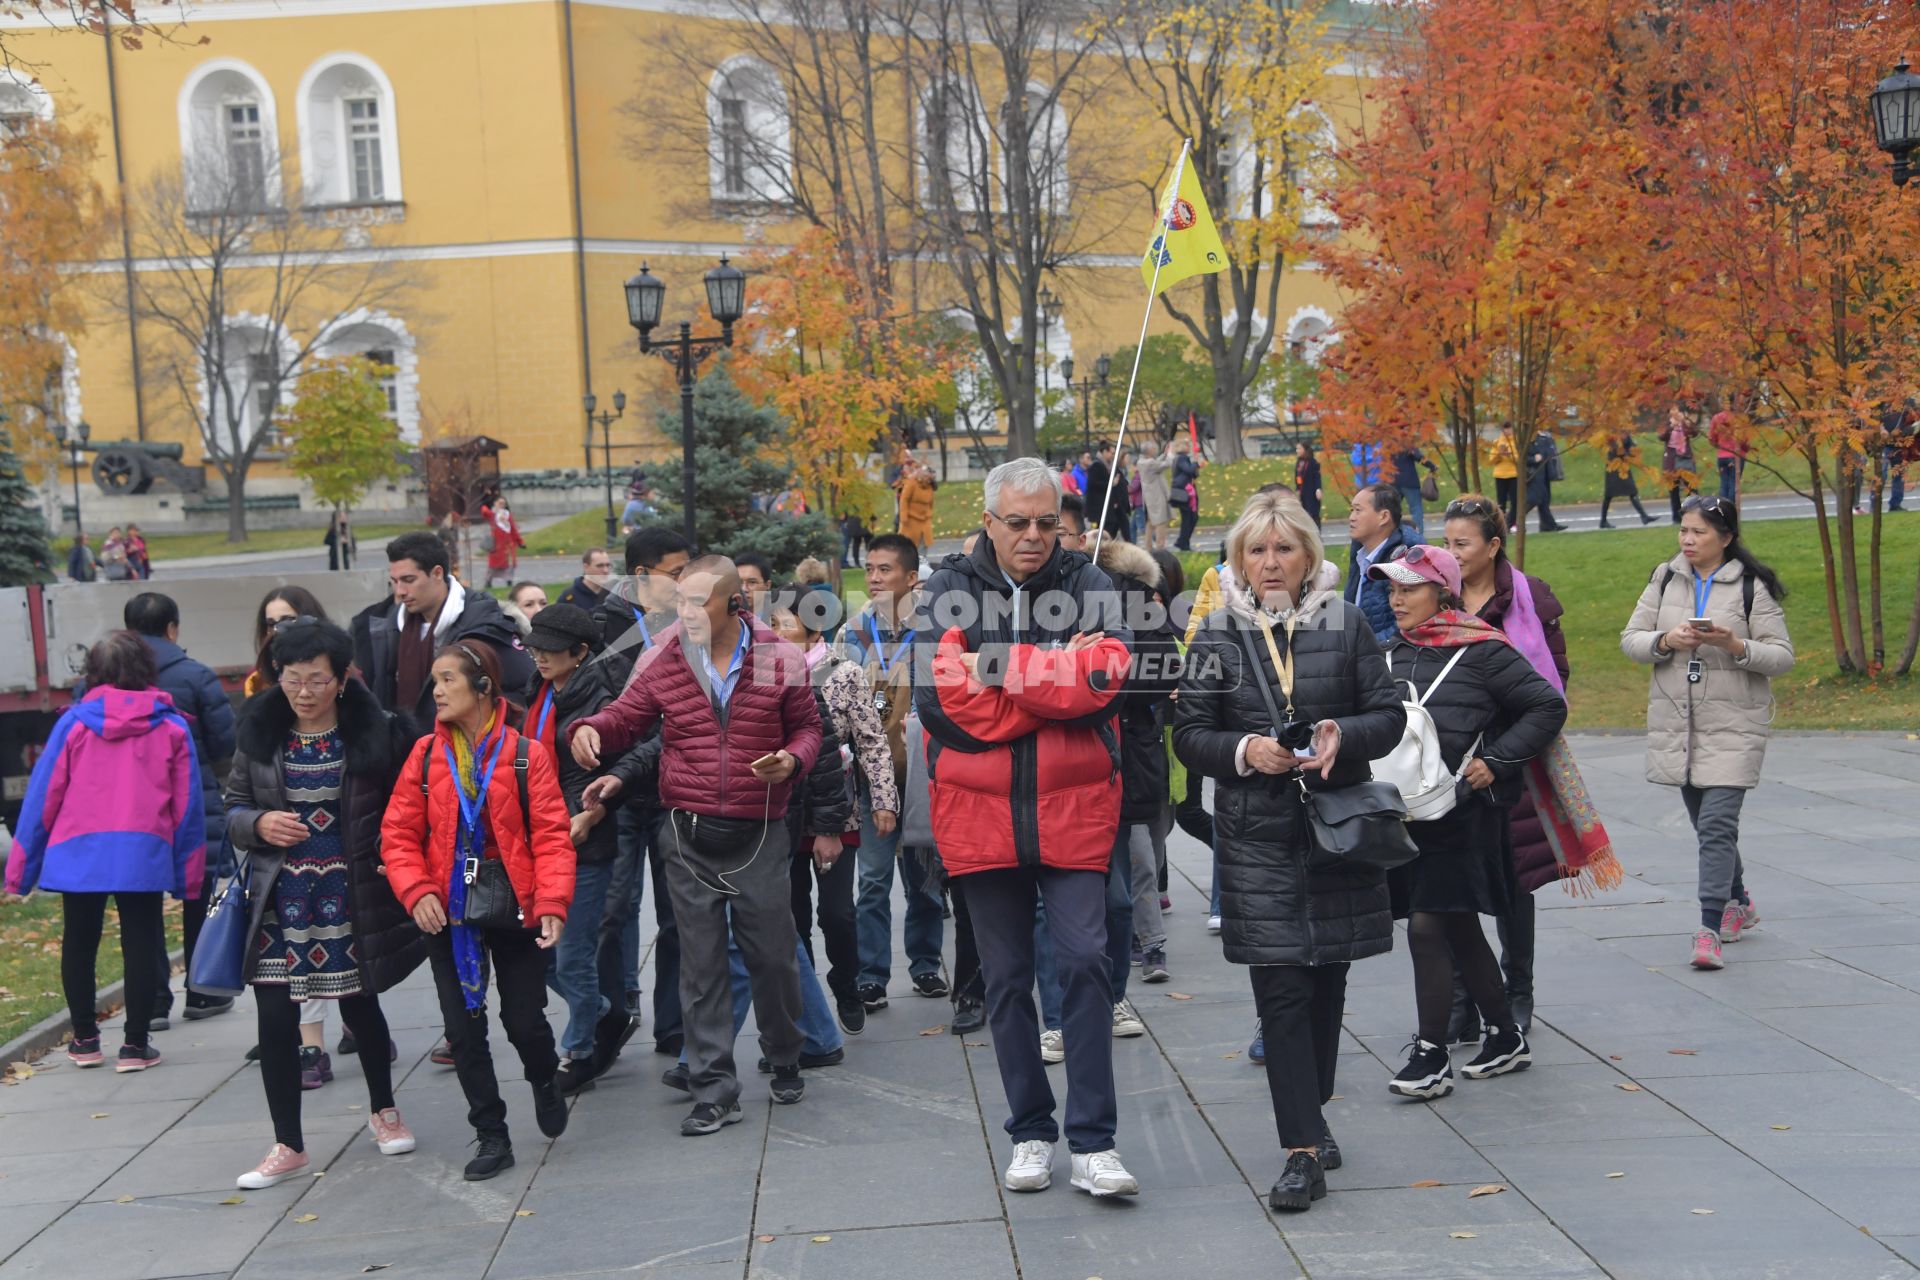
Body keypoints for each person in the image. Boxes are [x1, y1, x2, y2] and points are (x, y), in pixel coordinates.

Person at [1172, 488, 1406, 1213]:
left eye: (1284, 548)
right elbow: (1189, 735)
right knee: (1280, 988)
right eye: (1256, 550)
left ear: (1308, 556)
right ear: (1239, 561)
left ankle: (1314, 1108)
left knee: (1326, 982)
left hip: (1337, 832)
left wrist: (1342, 736)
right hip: (1258, 837)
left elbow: (1388, 716)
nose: (1270, 563)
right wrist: (1246, 750)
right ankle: (1301, 1149)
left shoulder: (1346, 625)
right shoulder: (1214, 635)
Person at [915, 457, 1141, 1199]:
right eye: (1019, 522)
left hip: (1075, 812)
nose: (1035, 536)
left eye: (1048, 522)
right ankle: (1032, 1133)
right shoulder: (947, 587)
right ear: (989, 521)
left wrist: (996, 668)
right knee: (1007, 981)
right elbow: (941, 704)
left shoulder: (1090, 583)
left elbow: (1106, 686)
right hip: (978, 818)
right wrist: (1050, 674)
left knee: (1084, 963)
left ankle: (1094, 1142)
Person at [569, 555, 823, 1136]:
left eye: (696, 602)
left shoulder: (778, 658)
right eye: (679, 600)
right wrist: (586, 730)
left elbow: (809, 729)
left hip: (760, 831)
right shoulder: (663, 656)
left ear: (735, 605)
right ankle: (714, 1088)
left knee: (773, 959)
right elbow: (624, 718)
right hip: (686, 833)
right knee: (700, 966)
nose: (683, 612)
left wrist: (792, 760)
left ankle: (784, 1053)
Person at [223, 619, 423, 1187]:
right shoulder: (260, 732)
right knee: (275, 1019)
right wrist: (258, 822)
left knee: (360, 1006)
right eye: (291, 679)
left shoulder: (375, 731)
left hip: (349, 892)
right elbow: (233, 805)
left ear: (340, 679)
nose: (303, 692)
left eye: (316, 679)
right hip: (278, 899)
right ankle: (288, 1143)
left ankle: (385, 1111)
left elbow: (404, 808)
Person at [1369, 545, 1566, 1100]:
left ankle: (1431, 1055)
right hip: (1407, 813)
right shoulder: (1386, 653)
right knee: (1454, 925)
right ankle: (1505, 1035)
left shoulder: (1483, 650)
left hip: (1465, 814)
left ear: (1444, 591)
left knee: (1430, 926)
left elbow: (1546, 707)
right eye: (1392, 587)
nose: (1397, 597)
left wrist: (1496, 761)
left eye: (1409, 586)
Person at [380, 640, 575, 1181]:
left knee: (524, 1022)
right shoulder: (423, 755)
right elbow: (396, 835)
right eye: (435, 682)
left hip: (514, 903)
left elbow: (554, 837)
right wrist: (416, 890)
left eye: (448, 680)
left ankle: (542, 1077)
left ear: (483, 686)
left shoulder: (525, 755)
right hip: (446, 911)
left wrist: (554, 902)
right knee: (463, 1031)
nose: (437, 691)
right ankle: (491, 1133)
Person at [6, 631, 204, 1073]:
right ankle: (135, 1045)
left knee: (79, 943)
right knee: (140, 943)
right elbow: (187, 806)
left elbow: (42, 798)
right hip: (143, 850)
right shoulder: (171, 727)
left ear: (93, 672)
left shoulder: (73, 724)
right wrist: (189, 876)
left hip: (78, 852)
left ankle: (84, 1039)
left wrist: (20, 871)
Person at [1621, 495, 1794, 971]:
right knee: (1707, 826)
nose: (1688, 540)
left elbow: (1781, 656)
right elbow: (1631, 639)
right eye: (1683, 530)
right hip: (1679, 724)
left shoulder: (1750, 587)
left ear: (1726, 538)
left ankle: (1708, 927)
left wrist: (1735, 645)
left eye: (1698, 532)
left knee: (1717, 827)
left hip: (1735, 725)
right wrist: (1665, 641)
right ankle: (1739, 899)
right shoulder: (1665, 577)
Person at [1441, 497, 1570, 1038]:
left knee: (1515, 881)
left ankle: (1519, 990)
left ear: (1493, 546)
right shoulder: (1437, 592)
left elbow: (1555, 679)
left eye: (1462, 544)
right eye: (1446, 543)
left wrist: (1505, 750)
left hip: (1510, 759)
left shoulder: (1529, 597)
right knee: (1451, 884)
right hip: (1449, 759)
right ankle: (1462, 998)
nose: (1452, 554)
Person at [521, 604, 652, 1095]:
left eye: (550, 649)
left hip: (586, 837)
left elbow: (615, 764)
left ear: (579, 653)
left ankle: (577, 1050)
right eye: (535, 646)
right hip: (543, 835)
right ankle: (601, 1011)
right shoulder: (541, 691)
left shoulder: (598, 696)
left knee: (572, 951)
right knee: (543, 954)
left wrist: (591, 809)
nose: (538, 656)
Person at [770, 586, 898, 1034]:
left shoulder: (844, 674)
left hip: (835, 809)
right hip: (781, 813)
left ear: (813, 626)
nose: (775, 633)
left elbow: (870, 740)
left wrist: (883, 799)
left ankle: (846, 984)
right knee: (793, 916)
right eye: (772, 624)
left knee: (838, 914)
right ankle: (804, 1007)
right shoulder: (765, 672)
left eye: (784, 624)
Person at [590, 527, 691, 1060]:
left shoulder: (696, 623)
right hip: (620, 791)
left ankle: (672, 1023)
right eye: (676, 574)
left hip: (677, 788)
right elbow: (614, 715)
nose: (685, 583)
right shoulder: (602, 629)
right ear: (642, 576)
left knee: (679, 913)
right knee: (614, 907)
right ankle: (614, 1008)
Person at [841, 533, 948, 1017]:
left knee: (925, 880)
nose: (875, 578)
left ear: (911, 579)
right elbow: (837, 700)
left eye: (885, 570)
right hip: (872, 778)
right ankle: (871, 975)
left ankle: (926, 963)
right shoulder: (854, 632)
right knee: (873, 881)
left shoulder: (935, 630)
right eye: (869, 569)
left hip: (923, 775)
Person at [122, 592, 237, 1027]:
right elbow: (224, 741)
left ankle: (151, 1001)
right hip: (193, 797)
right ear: (173, 628)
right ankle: (202, 992)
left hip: (132, 807)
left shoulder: (104, 680)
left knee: (140, 904)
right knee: (199, 895)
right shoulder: (195, 676)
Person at [1094, 538, 1182, 987]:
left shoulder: (1138, 603)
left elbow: (1162, 674)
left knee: (1141, 856)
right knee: (1114, 864)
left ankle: (1149, 944)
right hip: (1090, 749)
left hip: (1131, 747)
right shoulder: (1070, 595)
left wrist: (1103, 685)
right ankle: (1129, 946)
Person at [352, 531, 534, 722]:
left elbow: (524, 691)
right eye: (395, 582)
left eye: (408, 580)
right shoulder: (381, 626)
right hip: (404, 748)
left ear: (437, 573)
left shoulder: (487, 625)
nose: (400, 591)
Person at [1344, 483, 1411, 643]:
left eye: (1358, 510)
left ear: (1384, 517)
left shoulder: (1405, 558)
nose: (1351, 517)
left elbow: (1406, 625)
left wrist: (1365, 647)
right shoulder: (1360, 554)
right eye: (1351, 510)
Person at [248, 587, 329, 697]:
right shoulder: (257, 682)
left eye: (288, 621)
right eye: (271, 624)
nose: (278, 629)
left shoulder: (337, 670)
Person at [1600, 434, 1655, 529]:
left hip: (1623, 466)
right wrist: (1628, 452)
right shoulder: (1612, 433)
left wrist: (1634, 449)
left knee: (1632, 491)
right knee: (1609, 494)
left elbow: (1630, 445)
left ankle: (1644, 516)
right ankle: (1603, 521)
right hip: (1614, 465)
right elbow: (1617, 450)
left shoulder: (1625, 433)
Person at [1662, 403, 1699, 524]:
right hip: (1672, 461)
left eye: (1677, 411)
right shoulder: (1667, 425)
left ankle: (1694, 515)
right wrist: (1671, 426)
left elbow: (1694, 433)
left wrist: (1686, 422)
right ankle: (1676, 517)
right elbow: (1661, 437)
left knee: (1692, 488)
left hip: (1686, 459)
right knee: (1674, 491)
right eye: (1672, 411)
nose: (1675, 414)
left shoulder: (1684, 423)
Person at [1391, 447, 1438, 535]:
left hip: (1393, 481)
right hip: (1409, 481)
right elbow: (1418, 456)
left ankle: (1393, 533)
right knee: (1416, 509)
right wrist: (1432, 466)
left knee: (1393, 509)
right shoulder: (1406, 442)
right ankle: (1418, 534)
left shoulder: (1387, 442)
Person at [1525, 427, 1564, 532]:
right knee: (1534, 499)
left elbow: (1550, 455)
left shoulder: (1544, 437)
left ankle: (1548, 525)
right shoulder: (1528, 438)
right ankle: (1512, 520)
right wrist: (1534, 459)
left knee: (1545, 500)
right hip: (1534, 474)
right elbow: (1523, 457)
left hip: (1545, 473)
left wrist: (1553, 472)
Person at [481, 493, 524, 589]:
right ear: (495, 503)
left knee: (508, 565)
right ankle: (488, 581)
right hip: (496, 545)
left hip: (508, 545)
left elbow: (513, 528)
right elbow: (484, 511)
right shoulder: (492, 514)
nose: (502, 505)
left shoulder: (507, 515)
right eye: (499, 503)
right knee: (493, 566)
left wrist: (519, 541)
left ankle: (509, 581)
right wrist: (488, 504)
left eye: (503, 504)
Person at [1138, 441, 1174, 550]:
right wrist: (1170, 454)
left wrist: (1164, 454)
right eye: (1153, 448)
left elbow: (1156, 462)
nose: (1155, 450)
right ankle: (1160, 546)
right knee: (1160, 521)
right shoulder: (1149, 463)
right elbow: (1166, 464)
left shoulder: (1142, 461)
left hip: (1149, 497)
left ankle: (1148, 546)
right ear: (1149, 451)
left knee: (1150, 522)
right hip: (1156, 497)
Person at [896, 462, 937, 553]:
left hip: (925, 519)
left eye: (930, 478)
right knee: (909, 543)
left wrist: (930, 514)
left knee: (924, 543)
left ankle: (922, 563)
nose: (928, 480)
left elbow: (931, 503)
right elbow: (904, 499)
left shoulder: (930, 487)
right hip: (911, 519)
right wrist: (903, 516)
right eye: (927, 477)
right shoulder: (912, 483)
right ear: (922, 475)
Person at [556, 547, 613, 612]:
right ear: (586, 567)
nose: (606, 570)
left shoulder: (613, 595)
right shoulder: (569, 598)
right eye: (600, 566)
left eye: (608, 565)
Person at [1171, 440, 1203, 551]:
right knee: (1188, 518)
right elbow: (1189, 470)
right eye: (1188, 445)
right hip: (1185, 492)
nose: (1190, 448)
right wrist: (1194, 463)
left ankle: (1183, 541)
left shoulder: (1181, 459)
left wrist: (1196, 465)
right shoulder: (1182, 458)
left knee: (1191, 518)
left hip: (1188, 491)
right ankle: (1183, 543)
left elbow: (1193, 473)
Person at [1489, 426, 1519, 529]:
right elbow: (1491, 460)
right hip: (1500, 475)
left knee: (1515, 501)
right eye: (1505, 428)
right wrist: (1499, 454)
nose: (1507, 431)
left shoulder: (1516, 441)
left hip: (1514, 475)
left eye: (1509, 428)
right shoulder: (1497, 442)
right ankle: (1501, 525)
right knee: (1501, 502)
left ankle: (1512, 523)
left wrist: (1509, 455)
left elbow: (1519, 458)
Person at [1295, 442, 1323, 525]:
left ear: (1305, 450)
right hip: (1303, 491)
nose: (1297, 451)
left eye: (1299, 448)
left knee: (1313, 514)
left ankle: (1316, 532)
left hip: (1311, 492)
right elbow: (1297, 476)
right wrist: (1298, 488)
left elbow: (1317, 476)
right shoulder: (1299, 462)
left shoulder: (1312, 462)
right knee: (1304, 514)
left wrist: (1318, 489)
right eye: (1297, 449)